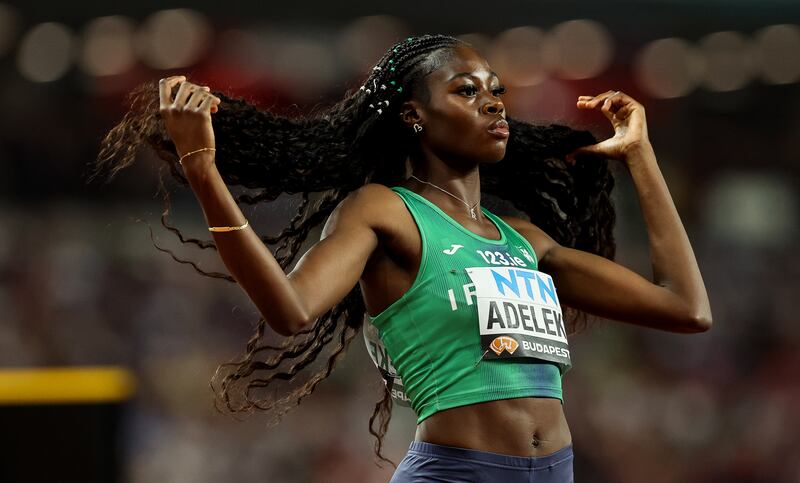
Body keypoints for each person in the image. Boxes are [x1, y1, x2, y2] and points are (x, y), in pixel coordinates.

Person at [94, 34, 712, 482]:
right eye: (466, 91)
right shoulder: (385, 212)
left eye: (497, 91)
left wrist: (641, 159)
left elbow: (686, 309)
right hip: (456, 474)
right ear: (414, 115)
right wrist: (203, 170)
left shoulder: (526, 241)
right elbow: (289, 309)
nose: (494, 102)